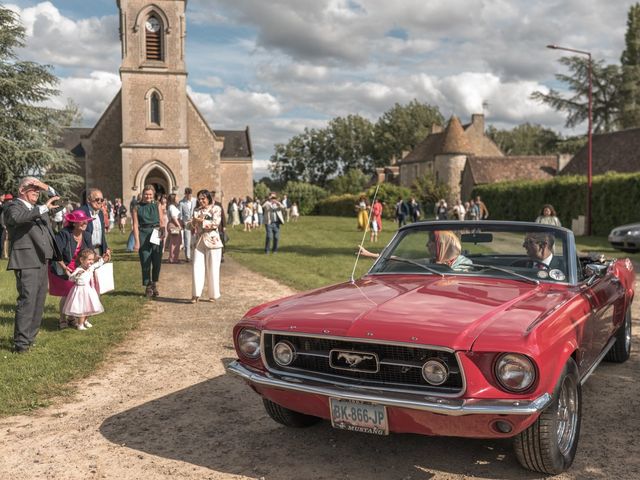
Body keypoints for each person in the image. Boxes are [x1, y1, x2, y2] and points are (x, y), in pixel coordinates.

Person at [3, 177, 61, 353]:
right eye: (33, 188)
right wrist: (42, 208)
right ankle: (20, 344)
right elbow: (17, 219)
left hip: (43, 259)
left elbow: (61, 203)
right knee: (27, 300)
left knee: (39, 300)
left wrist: (45, 186)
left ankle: (30, 338)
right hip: (26, 260)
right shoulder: (13, 206)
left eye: (38, 189)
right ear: (22, 190)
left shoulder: (39, 208)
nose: (37, 191)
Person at [49, 209, 97, 329]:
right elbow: (55, 253)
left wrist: (100, 258)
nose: (85, 223)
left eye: (86, 221)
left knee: (78, 295)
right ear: (74, 223)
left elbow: (91, 253)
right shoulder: (64, 234)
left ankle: (72, 318)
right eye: (82, 221)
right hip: (63, 266)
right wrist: (64, 267)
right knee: (67, 293)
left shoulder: (86, 235)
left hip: (79, 268)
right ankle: (62, 319)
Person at [359, 230, 472, 271]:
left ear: (442, 244)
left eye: (431, 241)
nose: (426, 245)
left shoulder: (464, 263)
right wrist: (370, 254)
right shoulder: (431, 261)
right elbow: (401, 260)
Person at [132, 185, 165, 297]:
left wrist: (162, 234)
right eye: (146, 194)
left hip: (156, 232)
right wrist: (137, 241)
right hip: (143, 233)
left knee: (156, 260)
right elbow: (135, 225)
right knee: (145, 260)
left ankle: (154, 283)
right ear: (143, 194)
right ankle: (148, 286)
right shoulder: (137, 207)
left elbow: (161, 221)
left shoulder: (157, 205)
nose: (148, 196)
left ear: (153, 194)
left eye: (150, 194)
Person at [190, 190, 223, 303]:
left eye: (203, 198)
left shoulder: (216, 208)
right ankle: (195, 294)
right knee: (196, 267)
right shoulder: (196, 210)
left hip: (213, 241)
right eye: (199, 199)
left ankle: (213, 295)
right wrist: (193, 222)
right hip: (199, 241)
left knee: (213, 268)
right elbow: (191, 225)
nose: (201, 201)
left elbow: (215, 223)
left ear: (208, 198)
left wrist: (201, 221)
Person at [62, 248, 105, 331]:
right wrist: (76, 275)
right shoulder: (79, 270)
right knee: (82, 309)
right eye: (89, 259)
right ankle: (80, 324)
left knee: (89, 307)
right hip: (80, 291)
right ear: (82, 260)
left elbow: (97, 265)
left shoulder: (90, 267)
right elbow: (71, 278)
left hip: (88, 290)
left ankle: (85, 321)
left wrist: (103, 259)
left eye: (92, 259)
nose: (91, 261)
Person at [80, 188, 110, 257]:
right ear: (88, 199)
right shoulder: (81, 212)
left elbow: (101, 234)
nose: (99, 202)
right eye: (97, 199)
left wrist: (106, 249)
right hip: (85, 252)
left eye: (101, 200)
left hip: (99, 250)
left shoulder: (100, 213)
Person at [179, 187, 196, 262]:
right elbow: (180, 214)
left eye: (190, 195)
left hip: (195, 222)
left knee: (195, 239)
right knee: (187, 240)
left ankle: (195, 255)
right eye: (187, 194)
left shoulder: (195, 200)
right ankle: (188, 257)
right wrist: (183, 221)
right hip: (186, 223)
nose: (189, 196)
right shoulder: (181, 202)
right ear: (185, 194)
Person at [166, 193, 182, 263]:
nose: (178, 199)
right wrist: (178, 225)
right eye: (176, 197)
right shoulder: (172, 206)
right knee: (175, 243)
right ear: (173, 199)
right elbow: (174, 217)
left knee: (175, 242)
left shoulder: (172, 206)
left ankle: (173, 258)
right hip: (174, 224)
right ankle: (173, 259)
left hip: (174, 224)